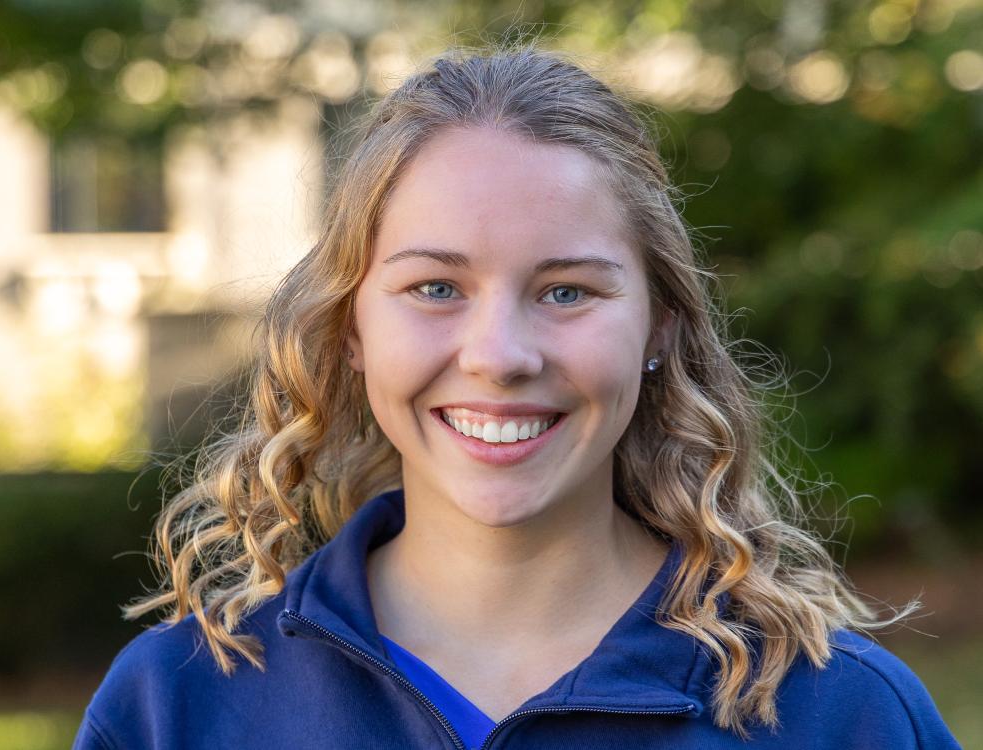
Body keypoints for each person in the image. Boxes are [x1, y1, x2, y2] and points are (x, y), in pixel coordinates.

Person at [73, 44, 960, 749]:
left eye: (567, 291)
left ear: (660, 327)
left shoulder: (841, 716)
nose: (498, 357)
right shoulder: (176, 707)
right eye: (434, 288)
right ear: (350, 329)